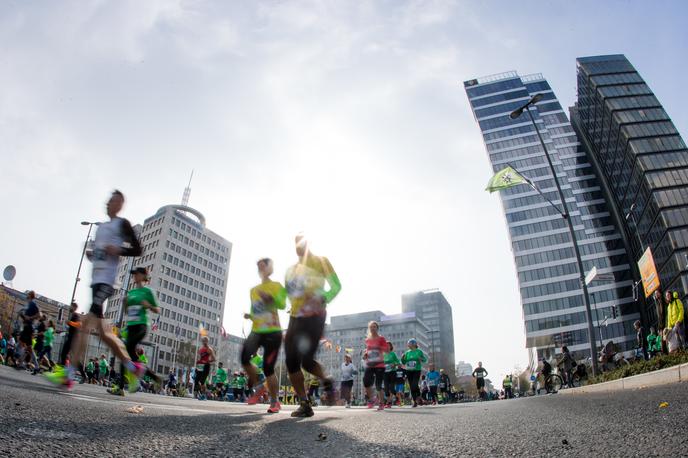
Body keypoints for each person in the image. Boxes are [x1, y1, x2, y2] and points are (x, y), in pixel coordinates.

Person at [50, 190, 144, 390]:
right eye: (109, 200)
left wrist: (119, 250)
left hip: (107, 283)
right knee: (105, 334)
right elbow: (101, 255)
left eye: (114, 200)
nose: (109, 203)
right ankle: (132, 366)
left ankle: (69, 373)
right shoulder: (101, 228)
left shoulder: (122, 224)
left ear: (121, 204)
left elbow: (138, 249)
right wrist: (93, 255)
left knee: (84, 326)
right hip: (96, 282)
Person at [284, 234, 342, 418]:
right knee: (291, 362)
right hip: (295, 317)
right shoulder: (291, 270)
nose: (298, 246)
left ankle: (326, 380)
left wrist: (323, 297)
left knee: (307, 361)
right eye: (296, 243)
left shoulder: (322, 261)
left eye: (302, 242)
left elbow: (336, 286)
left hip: (315, 316)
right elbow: (291, 294)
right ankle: (304, 403)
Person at [106, 267, 161, 396]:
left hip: (142, 326)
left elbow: (158, 310)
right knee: (127, 356)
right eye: (134, 274)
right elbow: (127, 312)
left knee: (124, 349)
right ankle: (152, 377)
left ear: (143, 275)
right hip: (130, 327)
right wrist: (125, 303)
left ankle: (132, 382)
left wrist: (149, 306)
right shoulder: (131, 292)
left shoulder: (148, 291)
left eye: (136, 274)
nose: (134, 276)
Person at [241, 258, 286, 413]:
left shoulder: (276, 286)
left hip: (273, 331)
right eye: (258, 267)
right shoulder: (253, 290)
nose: (260, 270)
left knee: (268, 368)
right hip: (256, 331)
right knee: (244, 358)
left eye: (263, 266)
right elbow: (257, 312)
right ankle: (260, 387)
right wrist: (250, 316)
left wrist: (270, 298)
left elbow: (282, 305)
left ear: (269, 268)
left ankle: (274, 402)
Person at [363, 321, 387, 410]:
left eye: (374, 327)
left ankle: (381, 403)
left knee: (378, 385)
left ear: (377, 328)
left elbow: (387, 350)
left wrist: (378, 347)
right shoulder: (367, 339)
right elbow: (368, 350)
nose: (373, 328)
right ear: (369, 329)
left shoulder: (381, 338)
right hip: (370, 364)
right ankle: (372, 399)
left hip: (379, 364)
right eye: (371, 327)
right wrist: (365, 354)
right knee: (366, 381)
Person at [401, 338, 427, 407]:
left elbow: (425, 360)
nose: (408, 344)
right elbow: (403, 362)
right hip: (409, 371)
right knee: (411, 386)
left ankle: (418, 397)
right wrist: (402, 358)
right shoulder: (407, 353)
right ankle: (415, 401)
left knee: (414, 385)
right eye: (408, 343)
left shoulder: (419, 351)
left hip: (416, 370)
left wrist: (420, 359)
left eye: (409, 343)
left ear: (414, 344)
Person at [18, 291, 40, 370]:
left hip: (29, 328)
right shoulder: (28, 304)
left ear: (30, 295)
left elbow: (39, 315)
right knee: (29, 347)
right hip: (26, 327)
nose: (27, 295)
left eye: (28, 294)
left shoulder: (33, 304)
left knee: (22, 344)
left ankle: (21, 362)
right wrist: (22, 315)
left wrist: (30, 318)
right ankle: (36, 366)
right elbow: (26, 317)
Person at [383, 341, 401, 408]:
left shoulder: (393, 354)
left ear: (391, 347)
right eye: (385, 345)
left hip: (392, 372)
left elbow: (398, 363)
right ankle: (389, 402)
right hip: (385, 373)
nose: (387, 347)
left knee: (392, 388)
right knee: (386, 388)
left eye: (388, 345)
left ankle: (398, 398)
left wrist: (394, 364)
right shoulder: (383, 354)